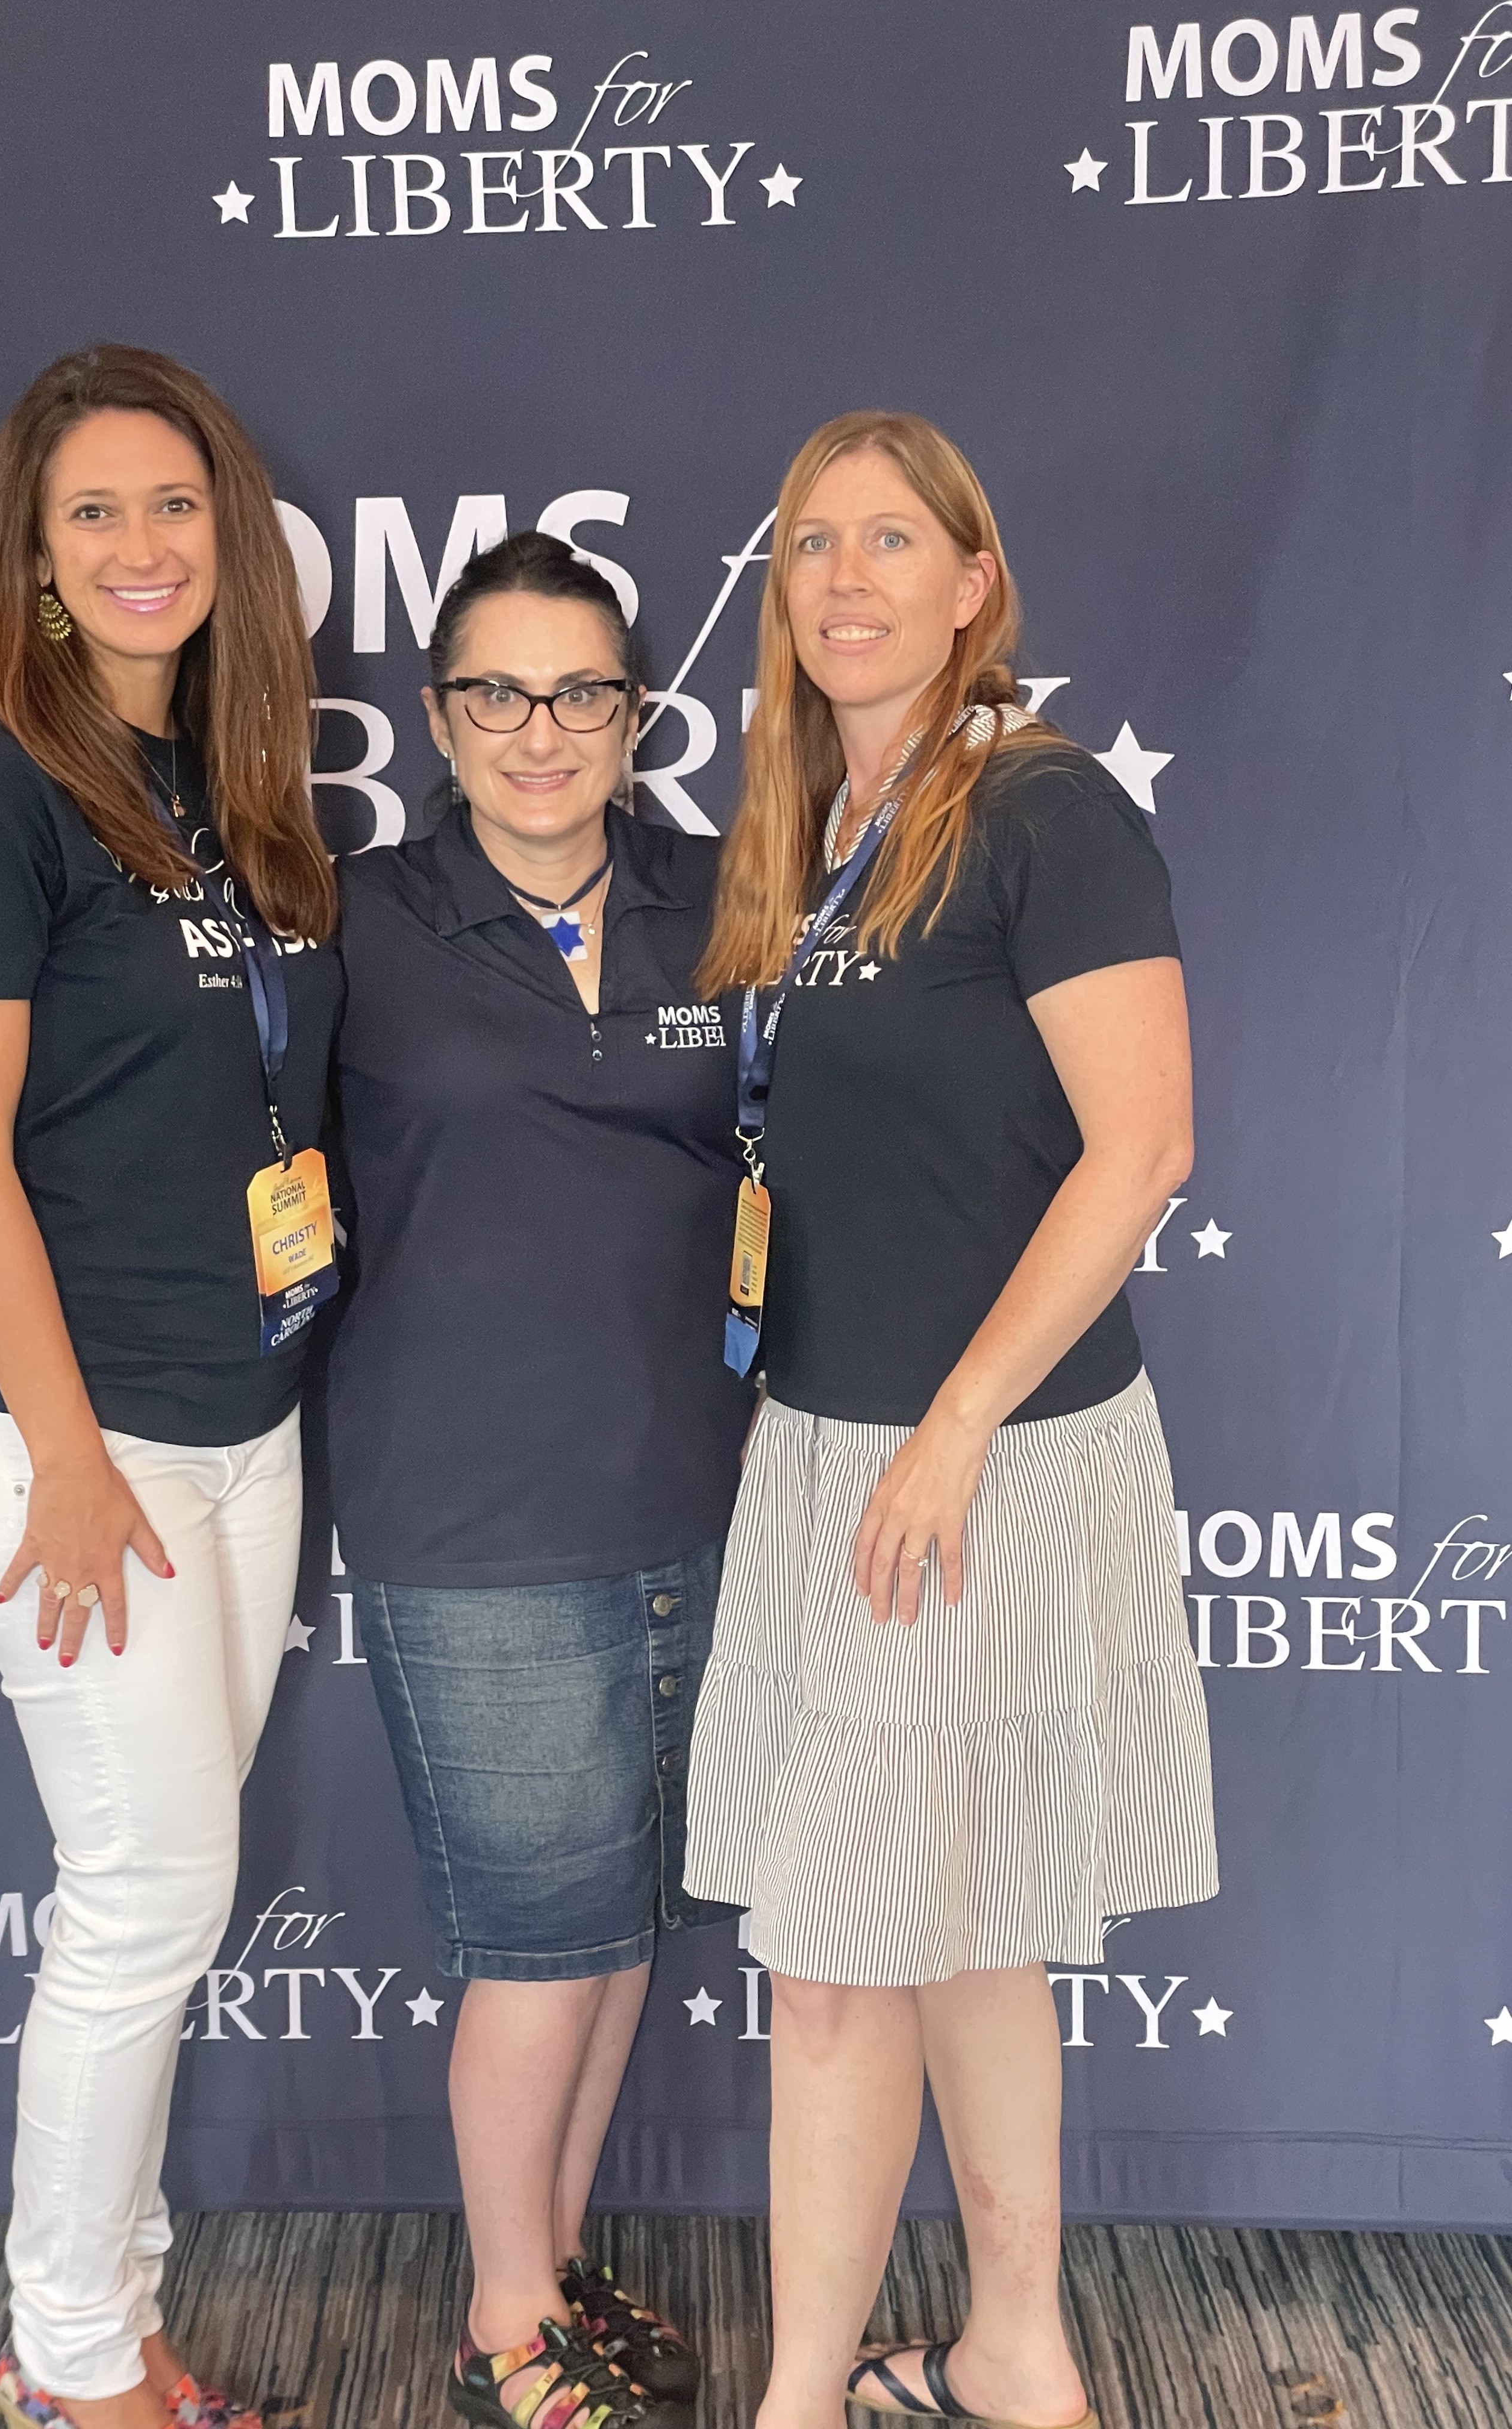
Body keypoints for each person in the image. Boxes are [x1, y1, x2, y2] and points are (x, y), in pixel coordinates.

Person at [683, 411, 1218, 2429]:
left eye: (893, 540)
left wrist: (957, 1424)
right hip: (838, 1439)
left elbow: (1143, 1146)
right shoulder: (818, 826)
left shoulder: (1043, 809)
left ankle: (797, 2402)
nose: (845, 579)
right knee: (974, 1927)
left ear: (975, 582)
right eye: (813, 542)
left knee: (836, 1968)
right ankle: (1016, 2352)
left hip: (980, 1460)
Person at [0, 345, 341, 2429]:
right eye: (95, 514)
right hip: (72, 1446)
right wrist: (67, 1463)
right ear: (35, 559)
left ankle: (111, 2319)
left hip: (243, 1423)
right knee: (145, 1896)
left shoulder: (222, 778)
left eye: (174, 506)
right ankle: (67, 2364)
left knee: (163, 1896)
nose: (143, 546)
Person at [327, 532, 754, 2429]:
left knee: (621, 1934)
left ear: (636, 714)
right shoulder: (351, 921)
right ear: (437, 717)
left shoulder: (719, 897)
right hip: (471, 1514)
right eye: (496, 693)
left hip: (695, 1495)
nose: (540, 730)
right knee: (535, 1948)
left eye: (583, 692)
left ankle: (557, 2264)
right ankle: (504, 2322)